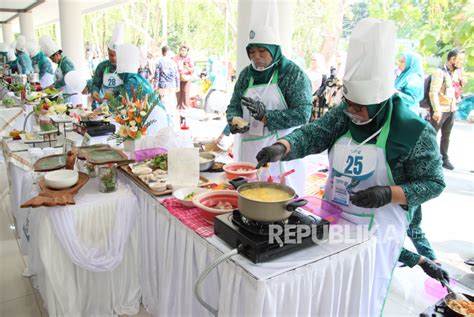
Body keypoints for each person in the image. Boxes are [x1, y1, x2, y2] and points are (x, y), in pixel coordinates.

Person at [255, 18, 448, 316]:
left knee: (360, 299)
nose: (351, 111)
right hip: (333, 218)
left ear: (380, 101)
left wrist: (388, 193)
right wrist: (282, 147)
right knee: (326, 293)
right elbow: (313, 133)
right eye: (349, 102)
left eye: (360, 107)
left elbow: (433, 183)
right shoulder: (345, 114)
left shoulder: (414, 131)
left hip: (377, 233)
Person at [226, 5, 313, 196]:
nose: (256, 57)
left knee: (279, 198)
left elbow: (303, 114)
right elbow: (233, 105)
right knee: (249, 195)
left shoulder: (291, 74)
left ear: (274, 50)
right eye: (252, 52)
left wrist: (267, 116)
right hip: (248, 149)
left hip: (279, 153)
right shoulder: (245, 74)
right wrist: (233, 120)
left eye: (262, 51)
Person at [116, 43, 170, 135]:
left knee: (149, 146)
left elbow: (118, 106)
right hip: (157, 114)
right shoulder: (138, 78)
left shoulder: (130, 83)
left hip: (151, 117)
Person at [429, 48, 465, 170]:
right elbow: (433, 92)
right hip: (441, 109)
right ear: (452, 59)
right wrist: (436, 109)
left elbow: (455, 91)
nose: (461, 63)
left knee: (446, 136)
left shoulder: (456, 73)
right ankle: (429, 159)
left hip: (451, 109)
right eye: (460, 60)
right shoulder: (439, 72)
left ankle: (444, 158)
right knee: (432, 135)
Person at [90, 23, 125, 106]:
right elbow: (96, 83)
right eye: (111, 55)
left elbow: (128, 86)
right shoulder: (102, 66)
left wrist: (115, 92)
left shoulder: (126, 68)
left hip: (122, 106)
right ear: (107, 52)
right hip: (106, 106)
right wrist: (94, 91)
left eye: (117, 55)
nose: (114, 58)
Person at [154, 45, 179, 113]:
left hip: (163, 85)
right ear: (168, 52)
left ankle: (166, 115)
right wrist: (178, 85)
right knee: (172, 101)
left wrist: (155, 86)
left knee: (164, 101)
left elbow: (157, 75)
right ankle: (172, 115)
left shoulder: (159, 62)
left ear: (162, 52)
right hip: (172, 84)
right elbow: (177, 75)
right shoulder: (173, 62)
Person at [174, 45, 193, 109]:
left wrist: (187, 67)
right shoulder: (176, 58)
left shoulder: (189, 59)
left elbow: (192, 70)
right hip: (178, 77)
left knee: (185, 92)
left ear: (187, 51)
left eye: (184, 51)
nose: (183, 52)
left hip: (187, 77)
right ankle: (179, 106)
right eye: (182, 50)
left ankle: (185, 106)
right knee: (178, 92)